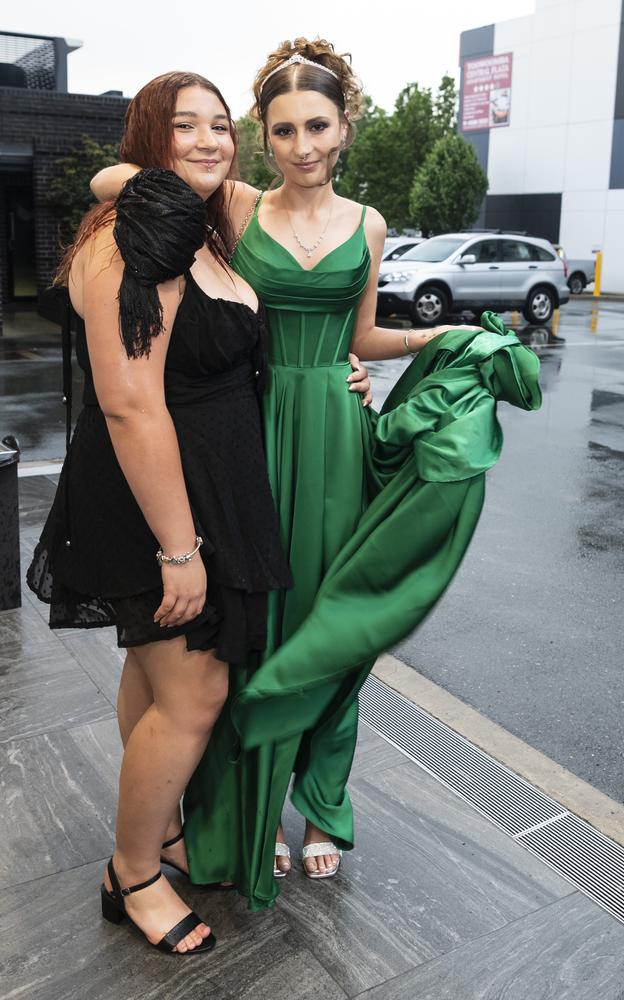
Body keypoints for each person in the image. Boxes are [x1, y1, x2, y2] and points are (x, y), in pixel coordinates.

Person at [89, 39, 486, 907]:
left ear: (345, 130)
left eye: (318, 126)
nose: (302, 146)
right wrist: (158, 174)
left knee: (331, 627)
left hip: (336, 433)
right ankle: (253, 807)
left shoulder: (371, 225)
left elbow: (363, 339)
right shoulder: (231, 203)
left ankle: (325, 810)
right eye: (282, 131)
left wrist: (439, 339)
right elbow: (109, 183)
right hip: (253, 431)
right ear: (263, 141)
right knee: (254, 631)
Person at [27, 73, 292, 950]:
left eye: (221, 126)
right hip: (159, 500)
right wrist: (181, 550)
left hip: (211, 482)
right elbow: (132, 406)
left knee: (152, 675)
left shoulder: (197, 224)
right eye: (186, 126)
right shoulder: (122, 242)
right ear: (149, 134)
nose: (211, 140)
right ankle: (131, 874)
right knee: (196, 692)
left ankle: (163, 830)